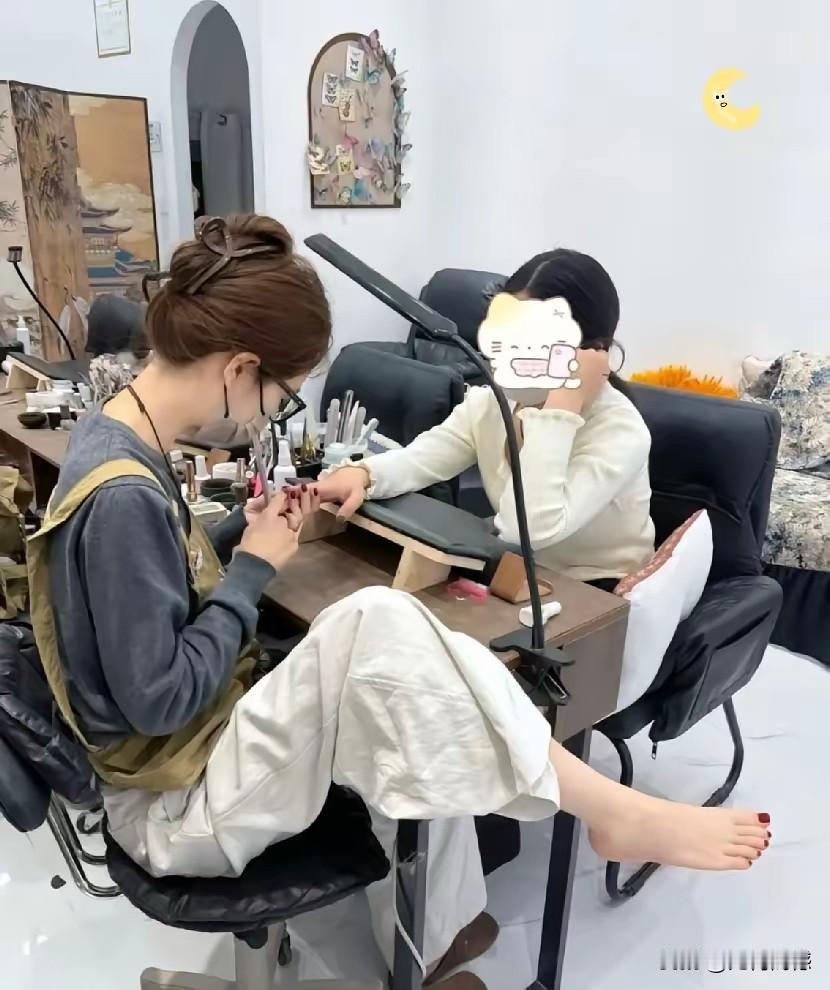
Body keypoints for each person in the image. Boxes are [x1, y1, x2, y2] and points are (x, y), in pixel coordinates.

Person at [30, 217, 771, 989]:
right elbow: (158, 699)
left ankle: (447, 927)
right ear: (241, 367)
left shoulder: (117, 436)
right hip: (167, 802)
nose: (267, 414)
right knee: (381, 627)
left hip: (196, 751)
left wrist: (233, 536)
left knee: (417, 678)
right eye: (282, 395)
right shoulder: (124, 497)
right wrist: (250, 569)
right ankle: (602, 813)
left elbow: (150, 601)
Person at [316, 249, 655, 591]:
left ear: (589, 351)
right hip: (515, 570)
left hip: (596, 591)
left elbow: (528, 529)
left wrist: (562, 407)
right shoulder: (495, 403)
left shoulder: (620, 431)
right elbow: (424, 458)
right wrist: (364, 475)